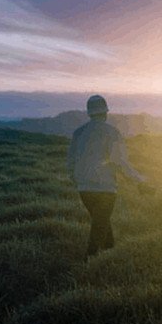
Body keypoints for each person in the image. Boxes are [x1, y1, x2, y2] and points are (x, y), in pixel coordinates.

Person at [66, 94, 152, 259]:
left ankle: (110, 253)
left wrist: (78, 181)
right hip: (106, 190)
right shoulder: (112, 132)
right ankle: (89, 263)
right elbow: (121, 163)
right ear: (106, 112)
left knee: (102, 223)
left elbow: (70, 164)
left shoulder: (78, 133)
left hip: (84, 191)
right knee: (99, 226)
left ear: (89, 113)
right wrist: (140, 180)